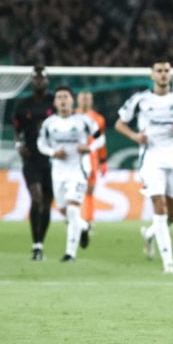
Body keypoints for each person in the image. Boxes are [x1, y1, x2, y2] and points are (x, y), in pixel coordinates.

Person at [115, 62, 173, 275]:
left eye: (166, 71)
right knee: (159, 207)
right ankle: (168, 264)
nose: (163, 75)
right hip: (151, 158)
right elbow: (119, 123)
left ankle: (150, 233)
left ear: (170, 75)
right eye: (159, 71)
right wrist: (135, 136)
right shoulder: (141, 100)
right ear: (152, 75)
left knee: (172, 216)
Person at [36, 86, 105, 262]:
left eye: (66, 97)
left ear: (71, 101)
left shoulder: (84, 121)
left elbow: (101, 138)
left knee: (73, 209)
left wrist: (89, 147)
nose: (63, 100)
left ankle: (70, 254)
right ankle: (82, 227)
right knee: (63, 209)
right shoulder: (49, 123)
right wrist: (52, 152)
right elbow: (41, 145)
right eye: (59, 97)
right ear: (55, 102)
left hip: (79, 169)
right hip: (58, 171)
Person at [12, 65, 55, 261]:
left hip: (52, 160)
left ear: (47, 81)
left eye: (41, 79)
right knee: (36, 198)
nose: (38, 82)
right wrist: (18, 145)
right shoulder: (23, 105)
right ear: (32, 81)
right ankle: (35, 244)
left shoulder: (54, 102)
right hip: (31, 159)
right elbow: (16, 129)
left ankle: (40, 245)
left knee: (46, 202)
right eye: (35, 79)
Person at [75, 90, 108, 249]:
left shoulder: (98, 119)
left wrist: (103, 159)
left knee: (90, 190)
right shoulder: (72, 116)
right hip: (73, 159)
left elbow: (101, 140)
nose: (85, 101)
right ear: (78, 100)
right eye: (83, 98)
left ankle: (88, 221)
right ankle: (77, 220)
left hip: (91, 157)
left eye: (88, 99)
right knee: (74, 191)